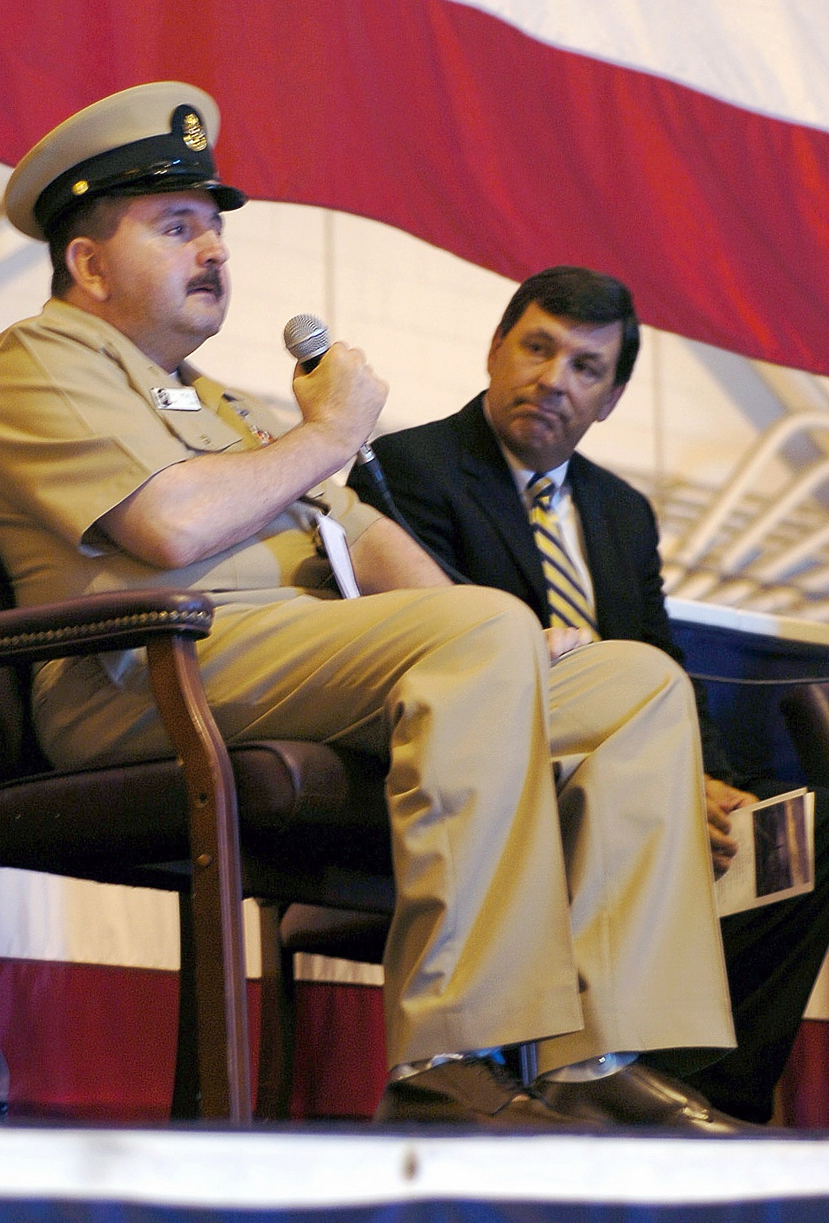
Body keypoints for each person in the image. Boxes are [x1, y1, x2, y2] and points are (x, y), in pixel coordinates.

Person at [0, 85, 744, 1133]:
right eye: (177, 226)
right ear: (89, 264)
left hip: (265, 662)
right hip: (147, 673)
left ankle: (598, 1059)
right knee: (481, 629)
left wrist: (515, 644)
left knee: (633, 686)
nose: (215, 253)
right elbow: (173, 529)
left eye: (218, 229)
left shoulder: (202, 395)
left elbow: (361, 535)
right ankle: (450, 1059)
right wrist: (329, 436)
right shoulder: (42, 358)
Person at [348, 264, 829, 1124]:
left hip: (632, 760)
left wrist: (710, 782)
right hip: (496, 763)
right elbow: (438, 651)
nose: (552, 380)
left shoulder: (620, 512)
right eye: (537, 348)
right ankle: (616, 1084)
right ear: (496, 350)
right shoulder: (410, 466)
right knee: (641, 795)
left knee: (805, 838)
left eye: (585, 368)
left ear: (610, 398)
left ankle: (700, 1091)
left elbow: (661, 663)